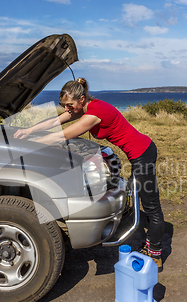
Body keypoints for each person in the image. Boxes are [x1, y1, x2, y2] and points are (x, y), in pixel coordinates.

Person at [14, 78, 165, 271]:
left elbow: (63, 135)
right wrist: (28, 130)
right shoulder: (84, 108)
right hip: (138, 152)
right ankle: (149, 239)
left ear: (82, 99)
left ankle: (155, 254)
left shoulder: (95, 113)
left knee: (151, 205)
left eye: (69, 105)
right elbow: (55, 121)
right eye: (64, 106)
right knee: (136, 194)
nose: (67, 110)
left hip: (143, 153)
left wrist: (29, 146)